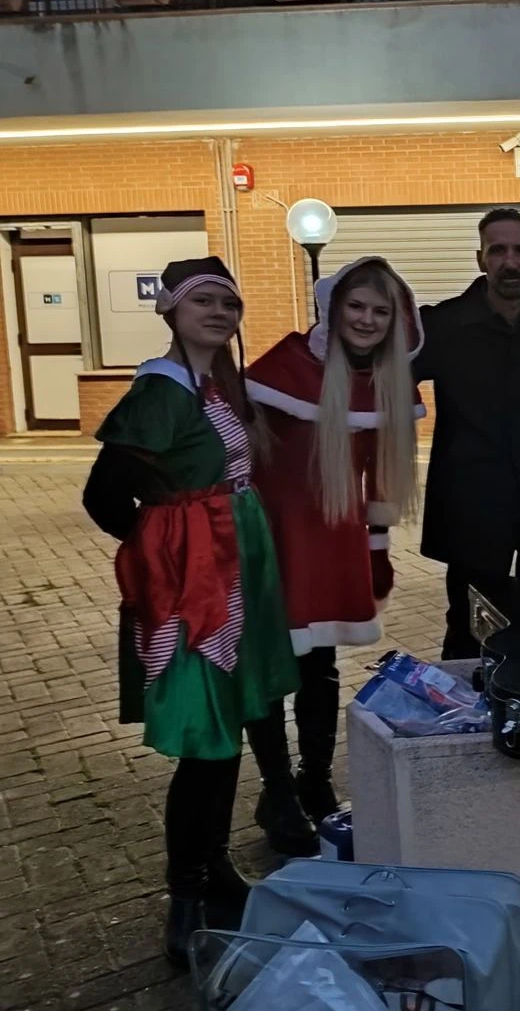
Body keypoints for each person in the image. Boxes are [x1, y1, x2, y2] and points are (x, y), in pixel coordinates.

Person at [81, 257, 299, 968]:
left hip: (237, 566)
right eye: (202, 300)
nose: (218, 312)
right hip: (197, 582)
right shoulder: (161, 387)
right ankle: (184, 897)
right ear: (170, 310)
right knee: (207, 743)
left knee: (230, 728)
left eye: (228, 302)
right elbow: (105, 493)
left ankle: (214, 872)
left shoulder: (214, 387)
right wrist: (167, 546)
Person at [242, 257, 425, 854]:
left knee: (319, 665)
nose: (368, 320)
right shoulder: (284, 367)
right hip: (273, 535)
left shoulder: (384, 381)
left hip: (333, 536)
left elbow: (377, 476)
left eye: (381, 310)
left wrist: (378, 548)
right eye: (357, 306)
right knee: (271, 669)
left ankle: (313, 779)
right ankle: (277, 792)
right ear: (333, 306)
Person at [414, 208, 520, 659]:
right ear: (480, 259)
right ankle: (469, 726)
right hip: (471, 502)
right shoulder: (441, 326)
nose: (510, 261)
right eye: (498, 250)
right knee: (470, 630)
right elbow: (373, 371)